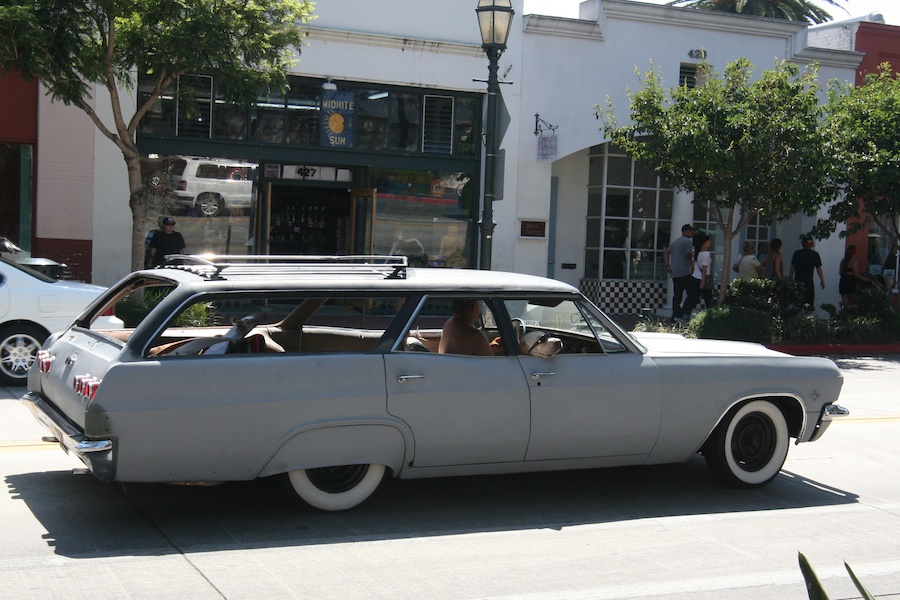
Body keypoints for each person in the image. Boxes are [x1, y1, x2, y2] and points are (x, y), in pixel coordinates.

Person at [664, 224, 695, 323]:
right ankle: (682, 313)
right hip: (684, 272)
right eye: (690, 231)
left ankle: (675, 315)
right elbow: (688, 254)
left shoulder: (676, 242)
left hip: (675, 272)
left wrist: (667, 265)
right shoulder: (687, 241)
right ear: (685, 231)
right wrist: (692, 265)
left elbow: (666, 252)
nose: (692, 233)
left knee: (677, 295)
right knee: (692, 294)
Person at [789, 237, 825, 311]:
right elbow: (818, 269)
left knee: (798, 302)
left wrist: (790, 278)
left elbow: (792, 267)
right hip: (808, 281)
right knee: (808, 303)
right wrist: (822, 280)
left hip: (798, 281)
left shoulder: (797, 253)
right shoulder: (814, 255)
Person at [690, 233, 714, 310]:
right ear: (705, 242)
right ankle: (710, 314)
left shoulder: (696, 253)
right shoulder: (706, 254)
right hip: (704, 278)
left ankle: (685, 314)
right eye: (709, 241)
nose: (710, 243)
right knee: (708, 299)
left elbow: (693, 266)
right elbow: (704, 268)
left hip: (695, 277)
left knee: (693, 299)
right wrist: (703, 281)